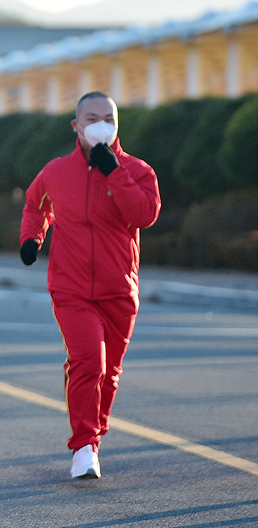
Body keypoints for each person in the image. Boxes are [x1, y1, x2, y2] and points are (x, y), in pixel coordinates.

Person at [19, 91, 161, 479]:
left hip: (120, 288)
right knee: (87, 360)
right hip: (71, 287)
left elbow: (144, 215)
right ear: (76, 126)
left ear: (117, 124)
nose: (101, 125)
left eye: (108, 119)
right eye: (92, 118)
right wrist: (32, 238)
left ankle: (94, 434)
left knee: (109, 371)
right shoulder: (56, 171)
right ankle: (83, 446)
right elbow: (36, 204)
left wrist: (113, 170)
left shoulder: (138, 170)